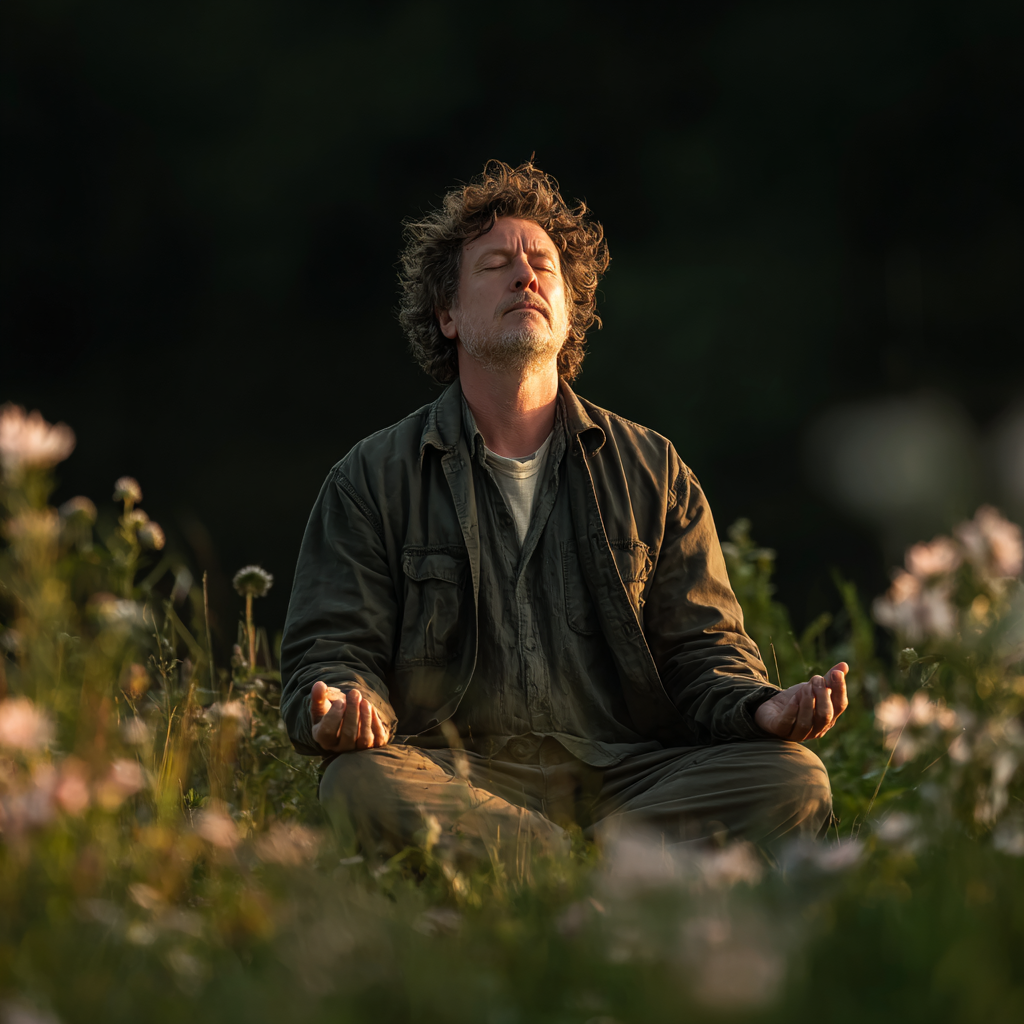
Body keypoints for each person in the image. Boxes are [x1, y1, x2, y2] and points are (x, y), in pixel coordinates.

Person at [280, 159, 848, 864]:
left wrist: (760, 707)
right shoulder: (371, 478)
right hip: (458, 779)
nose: (526, 277)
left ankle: (548, 869)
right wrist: (342, 709)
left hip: (630, 779)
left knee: (792, 778)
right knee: (356, 782)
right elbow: (332, 653)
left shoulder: (653, 469)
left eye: (542, 264)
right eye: (496, 264)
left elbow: (704, 651)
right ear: (446, 313)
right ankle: (603, 872)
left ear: (571, 307)